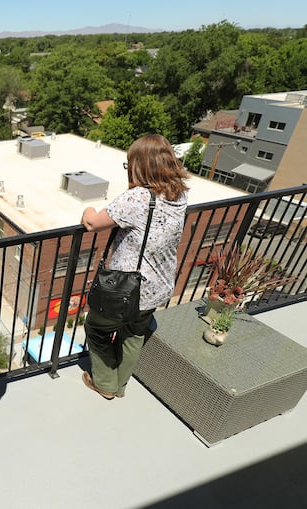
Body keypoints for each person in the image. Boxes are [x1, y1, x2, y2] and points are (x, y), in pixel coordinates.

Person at [80, 134, 189, 400]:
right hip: (157, 286)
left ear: (139, 165)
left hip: (127, 289)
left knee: (96, 328)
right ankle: (120, 385)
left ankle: (106, 384)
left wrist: (87, 209)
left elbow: (93, 223)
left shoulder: (138, 198)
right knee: (133, 334)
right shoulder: (180, 194)